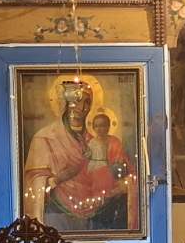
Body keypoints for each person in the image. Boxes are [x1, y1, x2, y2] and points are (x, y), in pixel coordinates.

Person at [22, 79, 134, 231]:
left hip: (98, 216)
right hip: (57, 215)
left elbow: (125, 176)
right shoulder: (45, 138)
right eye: (76, 100)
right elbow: (33, 182)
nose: (81, 108)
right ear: (64, 103)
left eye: (87, 102)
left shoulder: (95, 141)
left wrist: (120, 178)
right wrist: (58, 178)